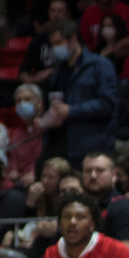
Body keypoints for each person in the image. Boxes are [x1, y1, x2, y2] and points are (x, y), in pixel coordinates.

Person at [44, 19, 120, 169]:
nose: (56, 48)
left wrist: (71, 110)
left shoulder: (100, 65)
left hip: (91, 144)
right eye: (53, 44)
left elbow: (107, 104)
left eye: (59, 42)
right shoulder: (59, 69)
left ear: (73, 38)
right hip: (60, 142)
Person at [83, 152, 129, 258]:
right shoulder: (76, 208)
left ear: (114, 176)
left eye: (100, 170)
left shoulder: (127, 207)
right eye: (88, 171)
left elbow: (124, 256)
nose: (93, 176)